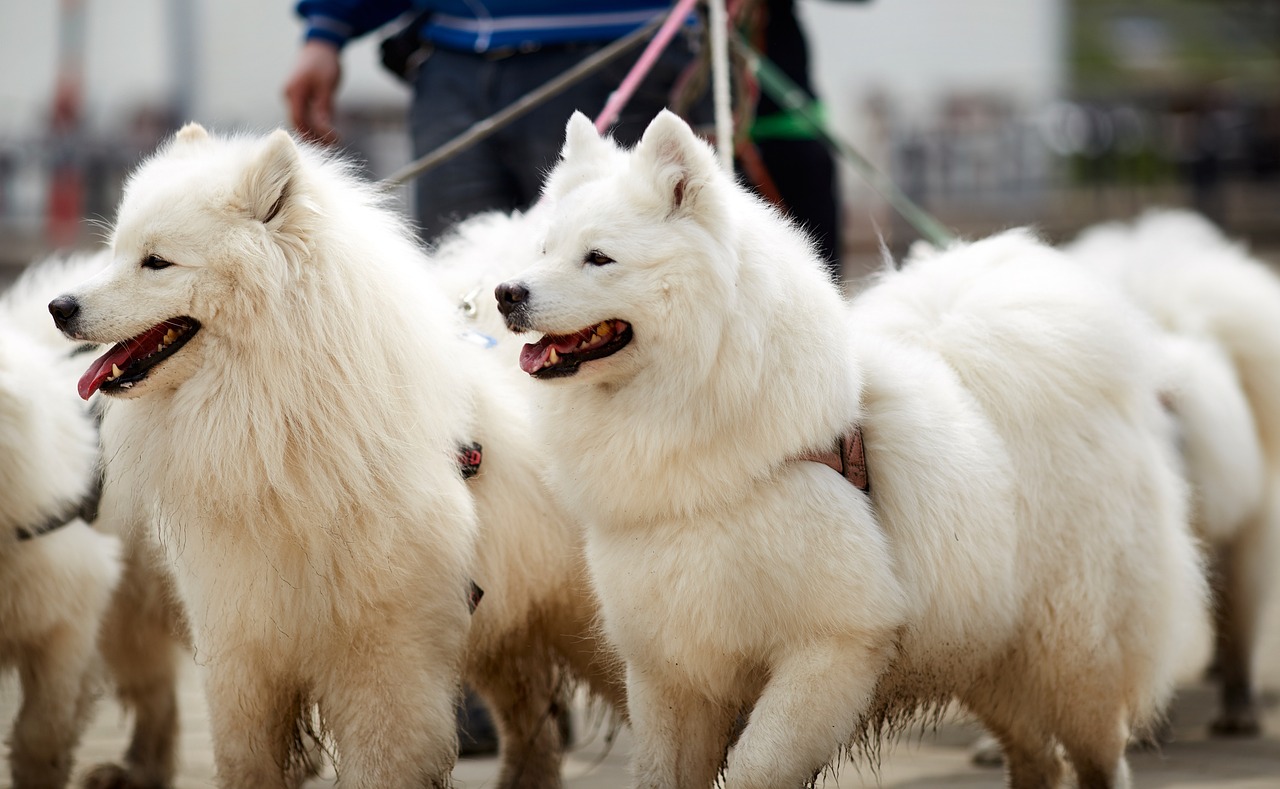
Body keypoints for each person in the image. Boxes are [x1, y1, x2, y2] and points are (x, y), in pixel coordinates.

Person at [285, 0, 706, 243]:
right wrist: (329, 26)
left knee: (602, 276)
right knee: (460, 287)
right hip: (452, 61)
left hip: (620, 49)